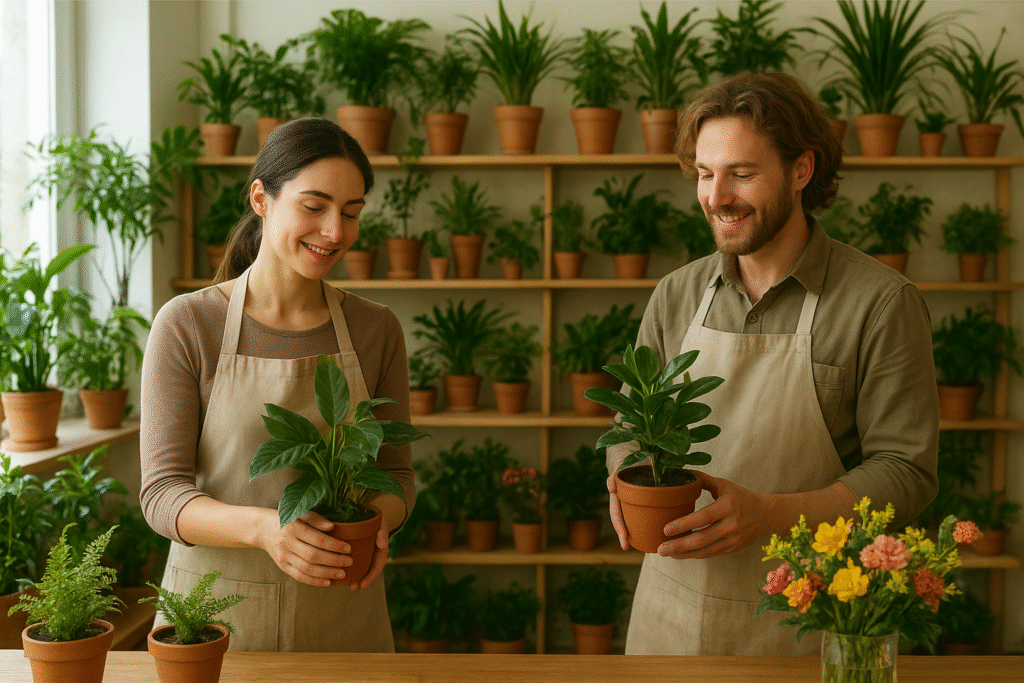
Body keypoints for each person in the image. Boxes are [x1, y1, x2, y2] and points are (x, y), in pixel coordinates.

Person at [606, 72, 939, 656]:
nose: (716, 196)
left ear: (801, 170)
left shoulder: (880, 302)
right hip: (673, 620)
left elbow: (906, 471)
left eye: (742, 173)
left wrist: (771, 516)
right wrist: (623, 479)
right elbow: (631, 429)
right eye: (706, 175)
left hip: (814, 621)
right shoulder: (676, 295)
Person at [139, 118, 415, 652]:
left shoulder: (375, 328)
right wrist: (267, 530)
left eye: (352, 213)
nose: (335, 231)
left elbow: (396, 475)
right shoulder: (188, 324)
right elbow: (162, 495)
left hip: (344, 616)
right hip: (211, 623)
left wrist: (378, 521)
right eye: (314, 207)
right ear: (261, 198)